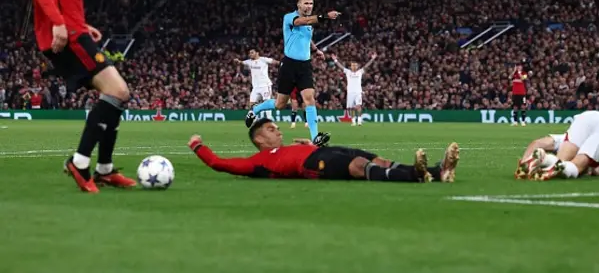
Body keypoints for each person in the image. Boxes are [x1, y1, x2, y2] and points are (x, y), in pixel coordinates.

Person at [29, 0, 135, 193]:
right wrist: (61, 25)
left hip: (76, 31)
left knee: (118, 94)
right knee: (117, 90)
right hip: (68, 36)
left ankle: (103, 169)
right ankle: (80, 162)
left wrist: (81, 24)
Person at [188, 118, 460, 183]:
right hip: (311, 166)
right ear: (259, 139)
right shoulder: (256, 162)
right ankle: (416, 175)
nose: (278, 131)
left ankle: (439, 171)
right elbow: (219, 163)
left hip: (318, 152)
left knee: (375, 159)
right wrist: (198, 145)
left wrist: (309, 145)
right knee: (357, 167)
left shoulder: (292, 145)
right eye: (271, 129)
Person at [246, 0, 340, 145]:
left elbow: (307, 38)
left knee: (309, 99)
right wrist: (325, 16)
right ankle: (255, 110)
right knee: (280, 104)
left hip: (305, 66)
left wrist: (316, 51)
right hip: (289, 65)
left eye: (311, 3)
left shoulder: (308, 24)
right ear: (298, 4)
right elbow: (301, 22)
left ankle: (315, 137)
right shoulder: (289, 17)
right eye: (306, 3)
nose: (309, 6)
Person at [515, 110, 599, 180]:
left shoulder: (564, 139)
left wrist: (523, 164)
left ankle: (545, 161)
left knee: (565, 163)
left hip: (588, 117)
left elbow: (537, 143)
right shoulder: (565, 139)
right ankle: (546, 161)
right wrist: (588, 170)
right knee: (566, 164)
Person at [331, 53, 377, 126]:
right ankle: (353, 121)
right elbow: (341, 67)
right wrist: (335, 60)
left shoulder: (360, 72)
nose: (354, 67)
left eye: (355, 65)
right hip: (350, 93)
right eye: (353, 65)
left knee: (358, 106)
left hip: (358, 92)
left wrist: (372, 59)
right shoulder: (348, 72)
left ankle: (359, 121)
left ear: (357, 66)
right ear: (351, 66)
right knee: (351, 108)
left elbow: (366, 66)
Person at [511, 62, 530, 126]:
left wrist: (519, 73)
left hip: (522, 93)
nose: (518, 67)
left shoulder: (524, 73)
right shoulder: (514, 73)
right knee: (515, 107)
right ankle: (515, 122)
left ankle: (523, 121)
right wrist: (514, 71)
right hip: (515, 93)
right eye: (517, 66)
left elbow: (523, 78)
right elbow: (509, 77)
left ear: (521, 67)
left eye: (520, 66)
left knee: (523, 107)